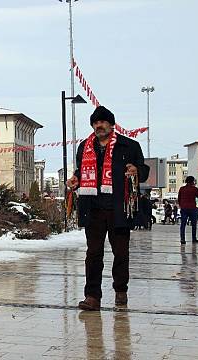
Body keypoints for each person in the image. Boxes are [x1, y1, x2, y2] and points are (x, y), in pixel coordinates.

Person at [66, 106, 149, 311]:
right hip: (92, 208)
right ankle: (92, 296)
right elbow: (81, 170)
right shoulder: (85, 147)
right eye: (95, 122)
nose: (98, 125)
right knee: (93, 254)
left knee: (120, 253)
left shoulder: (128, 145)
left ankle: (121, 290)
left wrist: (136, 170)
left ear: (111, 125)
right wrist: (76, 179)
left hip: (118, 208)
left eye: (102, 122)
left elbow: (144, 171)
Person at [178, 176, 198, 244]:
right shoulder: (194, 189)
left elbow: (179, 198)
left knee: (183, 224)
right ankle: (194, 238)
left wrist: (181, 205)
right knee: (194, 224)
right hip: (192, 208)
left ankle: (182, 239)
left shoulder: (182, 189)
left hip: (184, 208)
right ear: (193, 181)